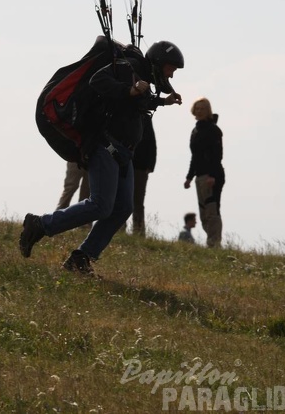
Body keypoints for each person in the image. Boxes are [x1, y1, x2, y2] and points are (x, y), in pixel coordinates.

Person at [20, 40, 184, 274]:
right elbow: (99, 81)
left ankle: (81, 257)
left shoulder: (142, 75)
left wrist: (161, 101)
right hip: (105, 146)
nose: (171, 74)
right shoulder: (129, 66)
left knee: (122, 208)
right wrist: (129, 90)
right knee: (100, 205)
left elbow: (136, 103)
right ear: (159, 63)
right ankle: (39, 225)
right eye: (171, 69)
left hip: (123, 153)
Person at [184, 97, 225, 248]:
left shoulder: (213, 130)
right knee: (203, 213)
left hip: (212, 176)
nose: (199, 111)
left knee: (212, 210)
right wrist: (189, 177)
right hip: (199, 177)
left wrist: (212, 175)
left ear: (208, 111)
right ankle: (211, 242)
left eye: (202, 109)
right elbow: (194, 157)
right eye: (197, 109)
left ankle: (214, 244)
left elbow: (217, 155)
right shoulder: (195, 131)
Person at [129, 113, 157, 236]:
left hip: (140, 167)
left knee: (138, 201)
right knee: (120, 199)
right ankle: (118, 228)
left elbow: (151, 142)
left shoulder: (145, 118)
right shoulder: (122, 113)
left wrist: (150, 165)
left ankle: (139, 231)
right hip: (123, 163)